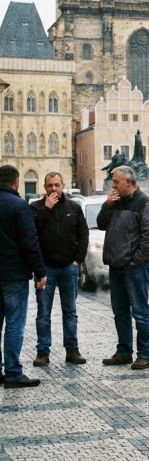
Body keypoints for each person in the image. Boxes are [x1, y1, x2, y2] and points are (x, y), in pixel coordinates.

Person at [97, 166, 149, 370]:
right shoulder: (116, 202)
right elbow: (101, 224)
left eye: (116, 182)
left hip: (134, 268)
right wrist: (107, 205)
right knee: (120, 312)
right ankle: (124, 352)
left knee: (140, 312)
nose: (113, 185)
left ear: (128, 182)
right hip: (116, 266)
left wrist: (136, 259)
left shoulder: (145, 203)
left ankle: (144, 355)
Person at [30, 172, 89, 367]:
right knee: (43, 313)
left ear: (63, 186)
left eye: (57, 185)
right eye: (50, 185)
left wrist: (77, 261)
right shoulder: (36, 207)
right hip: (45, 270)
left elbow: (83, 234)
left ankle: (72, 350)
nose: (54, 189)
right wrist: (46, 209)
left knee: (70, 312)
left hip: (68, 268)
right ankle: (42, 351)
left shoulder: (73, 207)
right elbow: (31, 233)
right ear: (44, 187)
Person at [0, 165, 47, 388]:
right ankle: (12, 372)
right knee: (14, 324)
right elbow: (30, 242)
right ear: (17, 181)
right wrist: (40, 272)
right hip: (14, 274)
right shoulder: (19, 205)